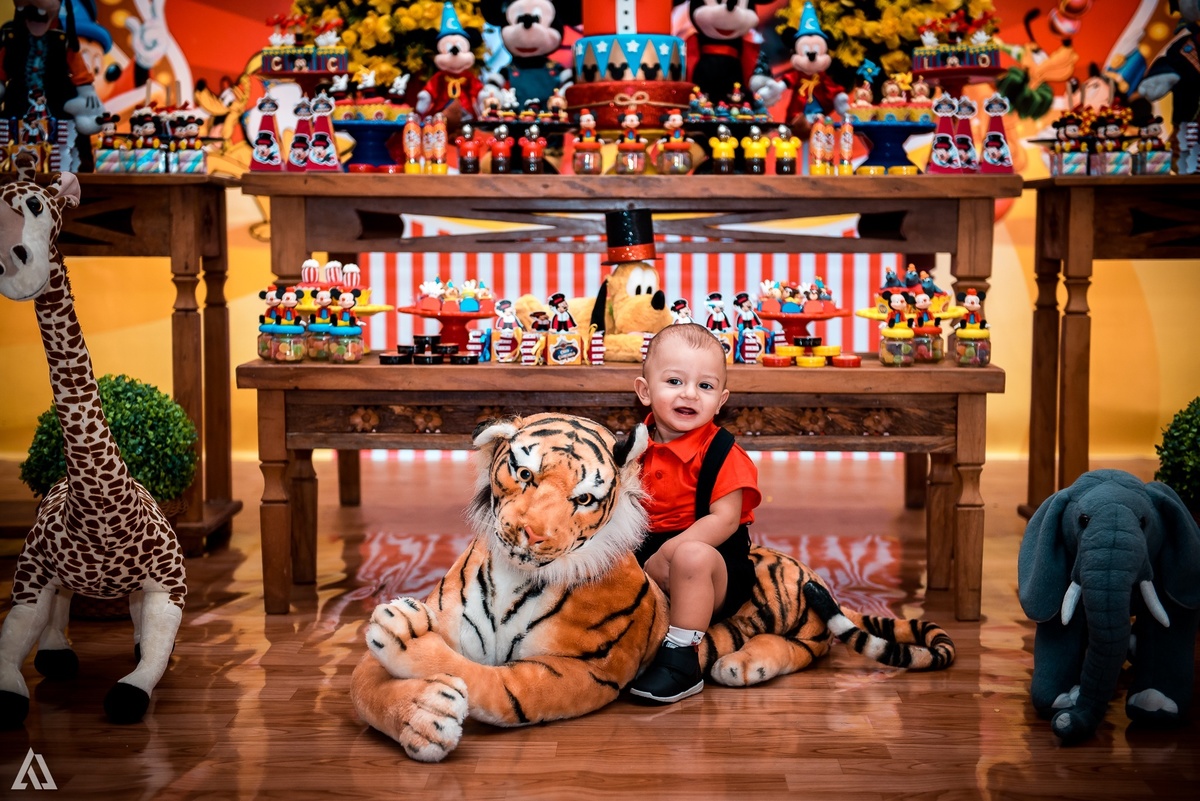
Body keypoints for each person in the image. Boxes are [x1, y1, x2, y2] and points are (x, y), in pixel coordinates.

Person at [628, 323, 761, 704]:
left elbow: (724, 520)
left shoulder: (722, 454)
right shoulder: (634, 447)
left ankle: (682, 657)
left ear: (721, 400)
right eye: (674, 381)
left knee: (691, 555)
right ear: (644, 391)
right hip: (645, 555)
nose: (689, 394)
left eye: (705, 386)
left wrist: (669, 552)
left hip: (711, 566)